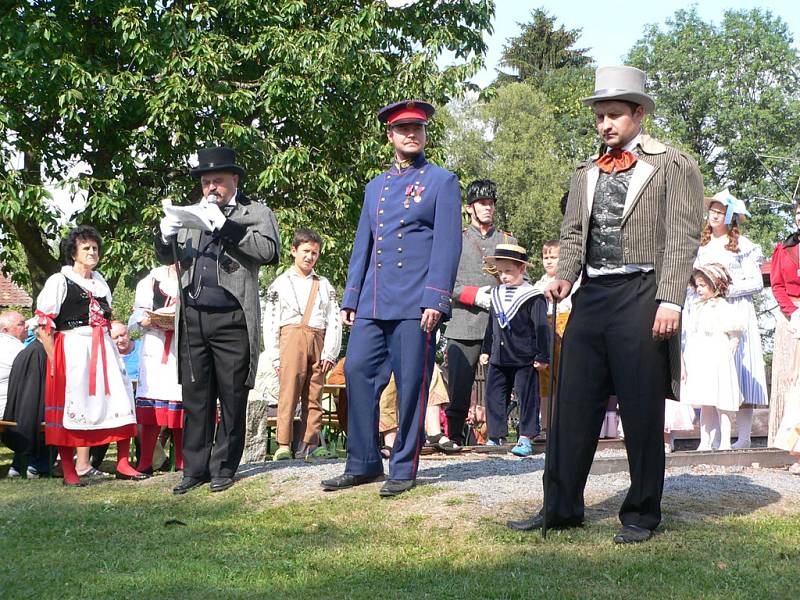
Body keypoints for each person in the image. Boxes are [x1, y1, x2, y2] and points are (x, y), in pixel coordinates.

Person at [507, 66, 704, 544]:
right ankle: (560, 507)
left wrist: (671, 301)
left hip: (644, 293)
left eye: (614, 115)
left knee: (640, 409)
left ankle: (640, 514)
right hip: (591, 296)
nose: (605, 125)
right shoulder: (585, 172)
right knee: (572, 405)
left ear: (639, 113)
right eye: (599, 117)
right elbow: (574, 236)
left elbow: (681, 238)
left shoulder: (674, 166)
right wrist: (563, 277)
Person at [321, 99, 461, 497]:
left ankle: (403, 467)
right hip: (373, 303)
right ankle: (363, 462)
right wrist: (351, 297)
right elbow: (362, 245)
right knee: (357, 372)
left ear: (425, 133)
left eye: (417, 128)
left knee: (412, 385)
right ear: (390, 136)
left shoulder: (442, 181)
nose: (410, 134)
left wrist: (436, 299)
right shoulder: (375, 187)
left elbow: (447, 247)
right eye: (403, 130)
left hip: (416, 305)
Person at [156, 146, 280, 494]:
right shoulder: (190, 213)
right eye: (206, 181)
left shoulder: (254, 211)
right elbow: (170, 255)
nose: (211, 188)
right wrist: (164, 235)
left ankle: (224, 467)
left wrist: (227, 227)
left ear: (234, 180)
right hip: (193, 316)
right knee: (196, 395)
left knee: (232, 395)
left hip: (233, 317)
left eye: (218, 181)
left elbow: (269, 252)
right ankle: (194, 468)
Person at [34, 225, 145, 486]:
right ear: (73, 252)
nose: (92, 252)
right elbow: (43, 325)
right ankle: (71, 470)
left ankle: (123, 463)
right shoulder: (59, 281)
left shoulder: (100, 282)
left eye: (95, 248)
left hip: (103, 348)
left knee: (120, 400)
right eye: (86, 248)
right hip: (73, 348)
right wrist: (54, 360)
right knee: (74, 406)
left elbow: (106, 319)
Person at [688, 190, 768, 449]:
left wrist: (726, 289)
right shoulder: (700, 246)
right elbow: (692, 282)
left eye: (720, 211)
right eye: (712, 210)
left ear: (730, 216)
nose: (714, 215)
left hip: (735, 310)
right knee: (710, 371)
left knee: (740, 369)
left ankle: (742, 437)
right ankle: (709, 438)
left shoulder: (743, 246)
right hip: (707, 312)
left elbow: (756, 281)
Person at [444, 180, 515, 447]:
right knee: (458, 388)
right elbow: (445, 282)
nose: (487, 207)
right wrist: (475, 295)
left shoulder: (507, 240)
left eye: (490, 203)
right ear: (469, 208)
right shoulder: (457, 241)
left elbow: (522, 277)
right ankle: (454, 437)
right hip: (464, 323)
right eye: (482, 203)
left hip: (500, 325)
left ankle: (499, 436)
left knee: (501, 387)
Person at [263, 228, 342, 460]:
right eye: (306, 251)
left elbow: (333, 318)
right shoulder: (280, 283)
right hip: (290, 338)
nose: (310, 257)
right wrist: (275, 355)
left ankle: (310, 443)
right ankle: (284, 443)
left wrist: (330, 352)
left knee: (314, 392)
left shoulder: (324, 284)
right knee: (288, 392)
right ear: (294, 251)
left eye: (315, 253)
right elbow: (271, 321)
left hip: (317, 337)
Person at [478, 245, 549, 456]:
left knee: (526, 395)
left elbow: (541, 327)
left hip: (524, 357)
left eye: (508, 271)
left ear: (521, 269)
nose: (504, 276)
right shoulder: (497, 294)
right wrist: (486, 349)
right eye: (500, 272)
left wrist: (542, 355)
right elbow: (491, 325)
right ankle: (496, 435)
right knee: (494, 395)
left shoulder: (533, 296)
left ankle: (526, 436)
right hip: (499, 357)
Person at [680, 265, 745, 450]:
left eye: (703, 285)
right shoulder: (696, 307)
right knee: (705, 401)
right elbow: (692, 333)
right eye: (697, 285)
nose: (699, 289)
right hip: (701, 356)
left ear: (714, 285)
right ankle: (705, 440)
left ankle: (725, 440)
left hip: (718, 356)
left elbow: (734, 332)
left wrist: (731, 348)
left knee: (723, 400)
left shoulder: (722, 306)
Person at [128, 264, 184, 473]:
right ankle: (146, 462)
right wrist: (145, 320)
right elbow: (135, 318)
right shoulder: (150, 282)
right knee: (151, 406)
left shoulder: (193, 278)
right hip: (154, 346)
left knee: (181, 403)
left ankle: (181, 460)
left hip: (182, 348)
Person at [532, 240, 577, 441]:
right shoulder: (538, 284)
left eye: (553, 257)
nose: (549, 262)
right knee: (546, 381)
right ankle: (545, 426)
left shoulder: (571, 283)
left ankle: (567, 425)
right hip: (545, 329)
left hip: (565, 324)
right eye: (546, 257)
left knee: (567, 377)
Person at [769, 202, 800, 453]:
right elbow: (777, 284)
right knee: (789, 376)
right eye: (798, 214)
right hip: (790, 314)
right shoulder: (784, 248)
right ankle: (784, 444)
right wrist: (793, 312)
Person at [0, 310, 26, 417]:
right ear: (5, 330)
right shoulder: (16, 348)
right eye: (21, 324)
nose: (27, 325)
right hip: (7, 411)